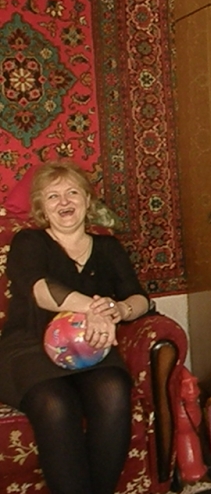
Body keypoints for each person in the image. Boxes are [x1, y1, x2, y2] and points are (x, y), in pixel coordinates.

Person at [0, 161, 151, 494]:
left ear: (87, 199)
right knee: (56, 404)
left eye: (72, 192)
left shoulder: (108, 247)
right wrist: (97, 308)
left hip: (91, 347)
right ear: (41, 207)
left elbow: (139, 298)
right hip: (29, 347)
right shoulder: (29, 242)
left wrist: (119, 309)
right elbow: (41, 291)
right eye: (52, 196)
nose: (64, 202)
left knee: (113, 390)